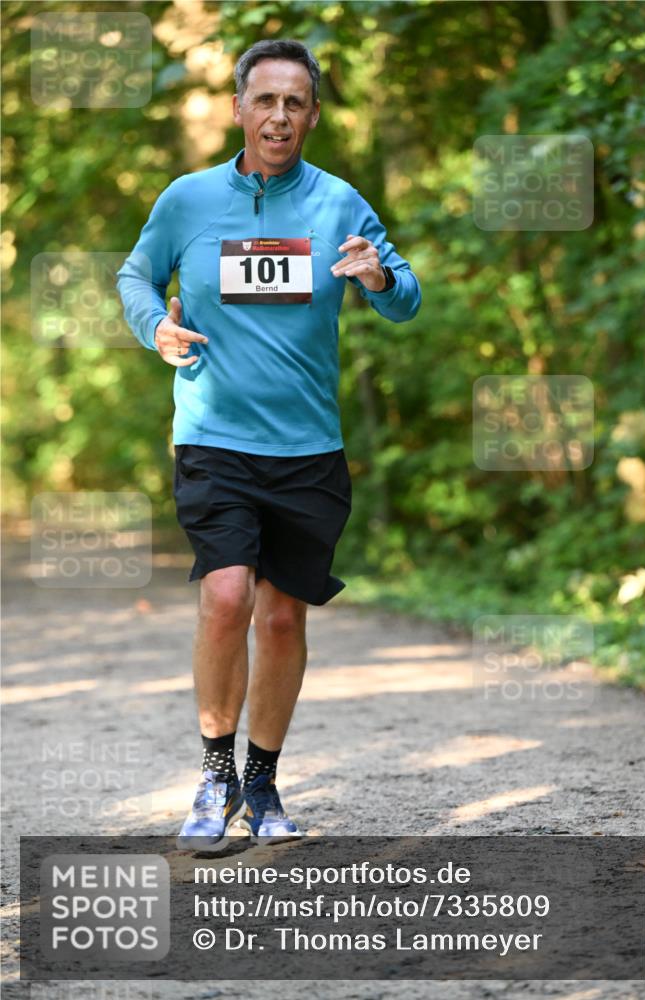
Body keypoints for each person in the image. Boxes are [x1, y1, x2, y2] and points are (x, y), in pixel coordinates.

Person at [117, 39, 421, 849]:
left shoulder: (338, 203)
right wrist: (156, 326)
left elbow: (405, 298)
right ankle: (214, 775)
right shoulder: (187, 199)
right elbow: (134, 275)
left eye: (295, 102)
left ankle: (263, 779)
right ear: (238, 108)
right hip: (213, 437)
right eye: (265, 100)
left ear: (312, 115)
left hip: (307, 448)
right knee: (225, 597)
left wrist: (378, 277)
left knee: (282, 619)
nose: (279, 115)